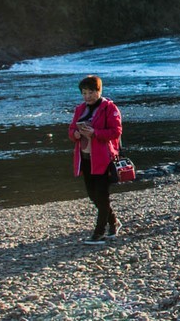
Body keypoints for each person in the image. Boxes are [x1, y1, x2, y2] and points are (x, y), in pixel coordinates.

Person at [68, 74, 122, 245]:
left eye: (90, 92)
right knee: (93, 195)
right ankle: (114, 222)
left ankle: (99, 233)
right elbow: (71, 131)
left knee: (102, 195)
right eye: (84, 93)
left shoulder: (109, 108)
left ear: (99, 91)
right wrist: (76, 134)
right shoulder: (80, 109)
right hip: (85, 158)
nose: (87, 96)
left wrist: (95, 133)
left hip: (103, 158)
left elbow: (116, 131)